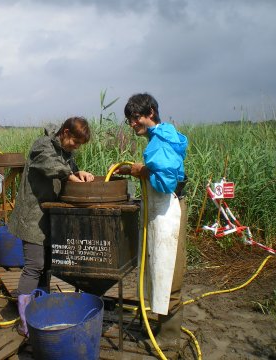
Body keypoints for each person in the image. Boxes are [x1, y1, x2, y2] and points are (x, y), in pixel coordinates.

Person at [114, 93, 188, 352]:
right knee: (158, 266)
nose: (132, 123)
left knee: (167, 269)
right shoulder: (163, 135)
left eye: (135, 118)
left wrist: (141, 171)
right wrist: (136, 169)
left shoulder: (159, 143)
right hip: (163, 209)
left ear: (151, 113)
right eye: (129, 120)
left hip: (168, 211)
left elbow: (165, 181)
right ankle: (162, 325)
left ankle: (169, 337)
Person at [8, 116, 95, 337]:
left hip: (51, 216)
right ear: (65, 132)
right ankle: (25, 321)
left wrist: (79, 173)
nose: (76, 147)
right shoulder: (42, 145)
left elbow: (69, 170)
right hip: (33, 215)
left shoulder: (67, 152)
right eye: (75, 142)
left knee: (47, 265)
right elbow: (50, 165)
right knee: (34, 265)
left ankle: (41, 312)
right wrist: (69, 174)